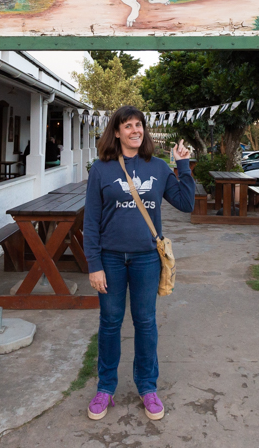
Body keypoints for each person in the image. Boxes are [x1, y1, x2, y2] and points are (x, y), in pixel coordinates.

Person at [82, 105, 195, 422]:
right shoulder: (101, 170)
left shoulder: (158, 167)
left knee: (145, 323)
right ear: (116, 132)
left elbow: (186, 203)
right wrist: (94, 264)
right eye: (128, 125)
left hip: (147, 259)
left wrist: (182, 165)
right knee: (110, 323)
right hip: (110, 259)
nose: (135, 130)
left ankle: (147, 387)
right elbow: (90, 223)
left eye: (139, 125)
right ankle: (106, 387)